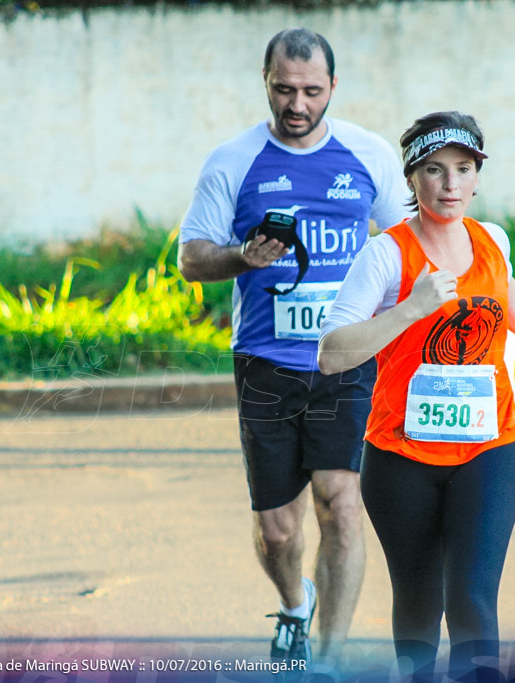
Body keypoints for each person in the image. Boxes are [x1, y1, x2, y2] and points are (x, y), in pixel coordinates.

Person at [176, 28, 409, 666]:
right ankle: (293, 603)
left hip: (345, 358)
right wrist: (241, 257)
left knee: (340, 501)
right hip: (266, 363)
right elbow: (192, 259)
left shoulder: (368, 154)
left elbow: (403, 248)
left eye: (311, 91)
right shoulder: (233, 160)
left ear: (334, 86)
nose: (298, 105)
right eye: (284, 90)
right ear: (265, 81)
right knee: (279, 528)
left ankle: (328, 661)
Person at [318, 111, 515, 681]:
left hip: (490, 448)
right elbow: (331, 353)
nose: (450, 185)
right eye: (434, 170)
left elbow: (507, 284)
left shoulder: (491, 238)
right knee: (419, 605)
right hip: (401, 457)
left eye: (463, 169)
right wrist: (411, 309)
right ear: (411, 180)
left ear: (477, 175)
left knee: (472, 599)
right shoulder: (386, 255)